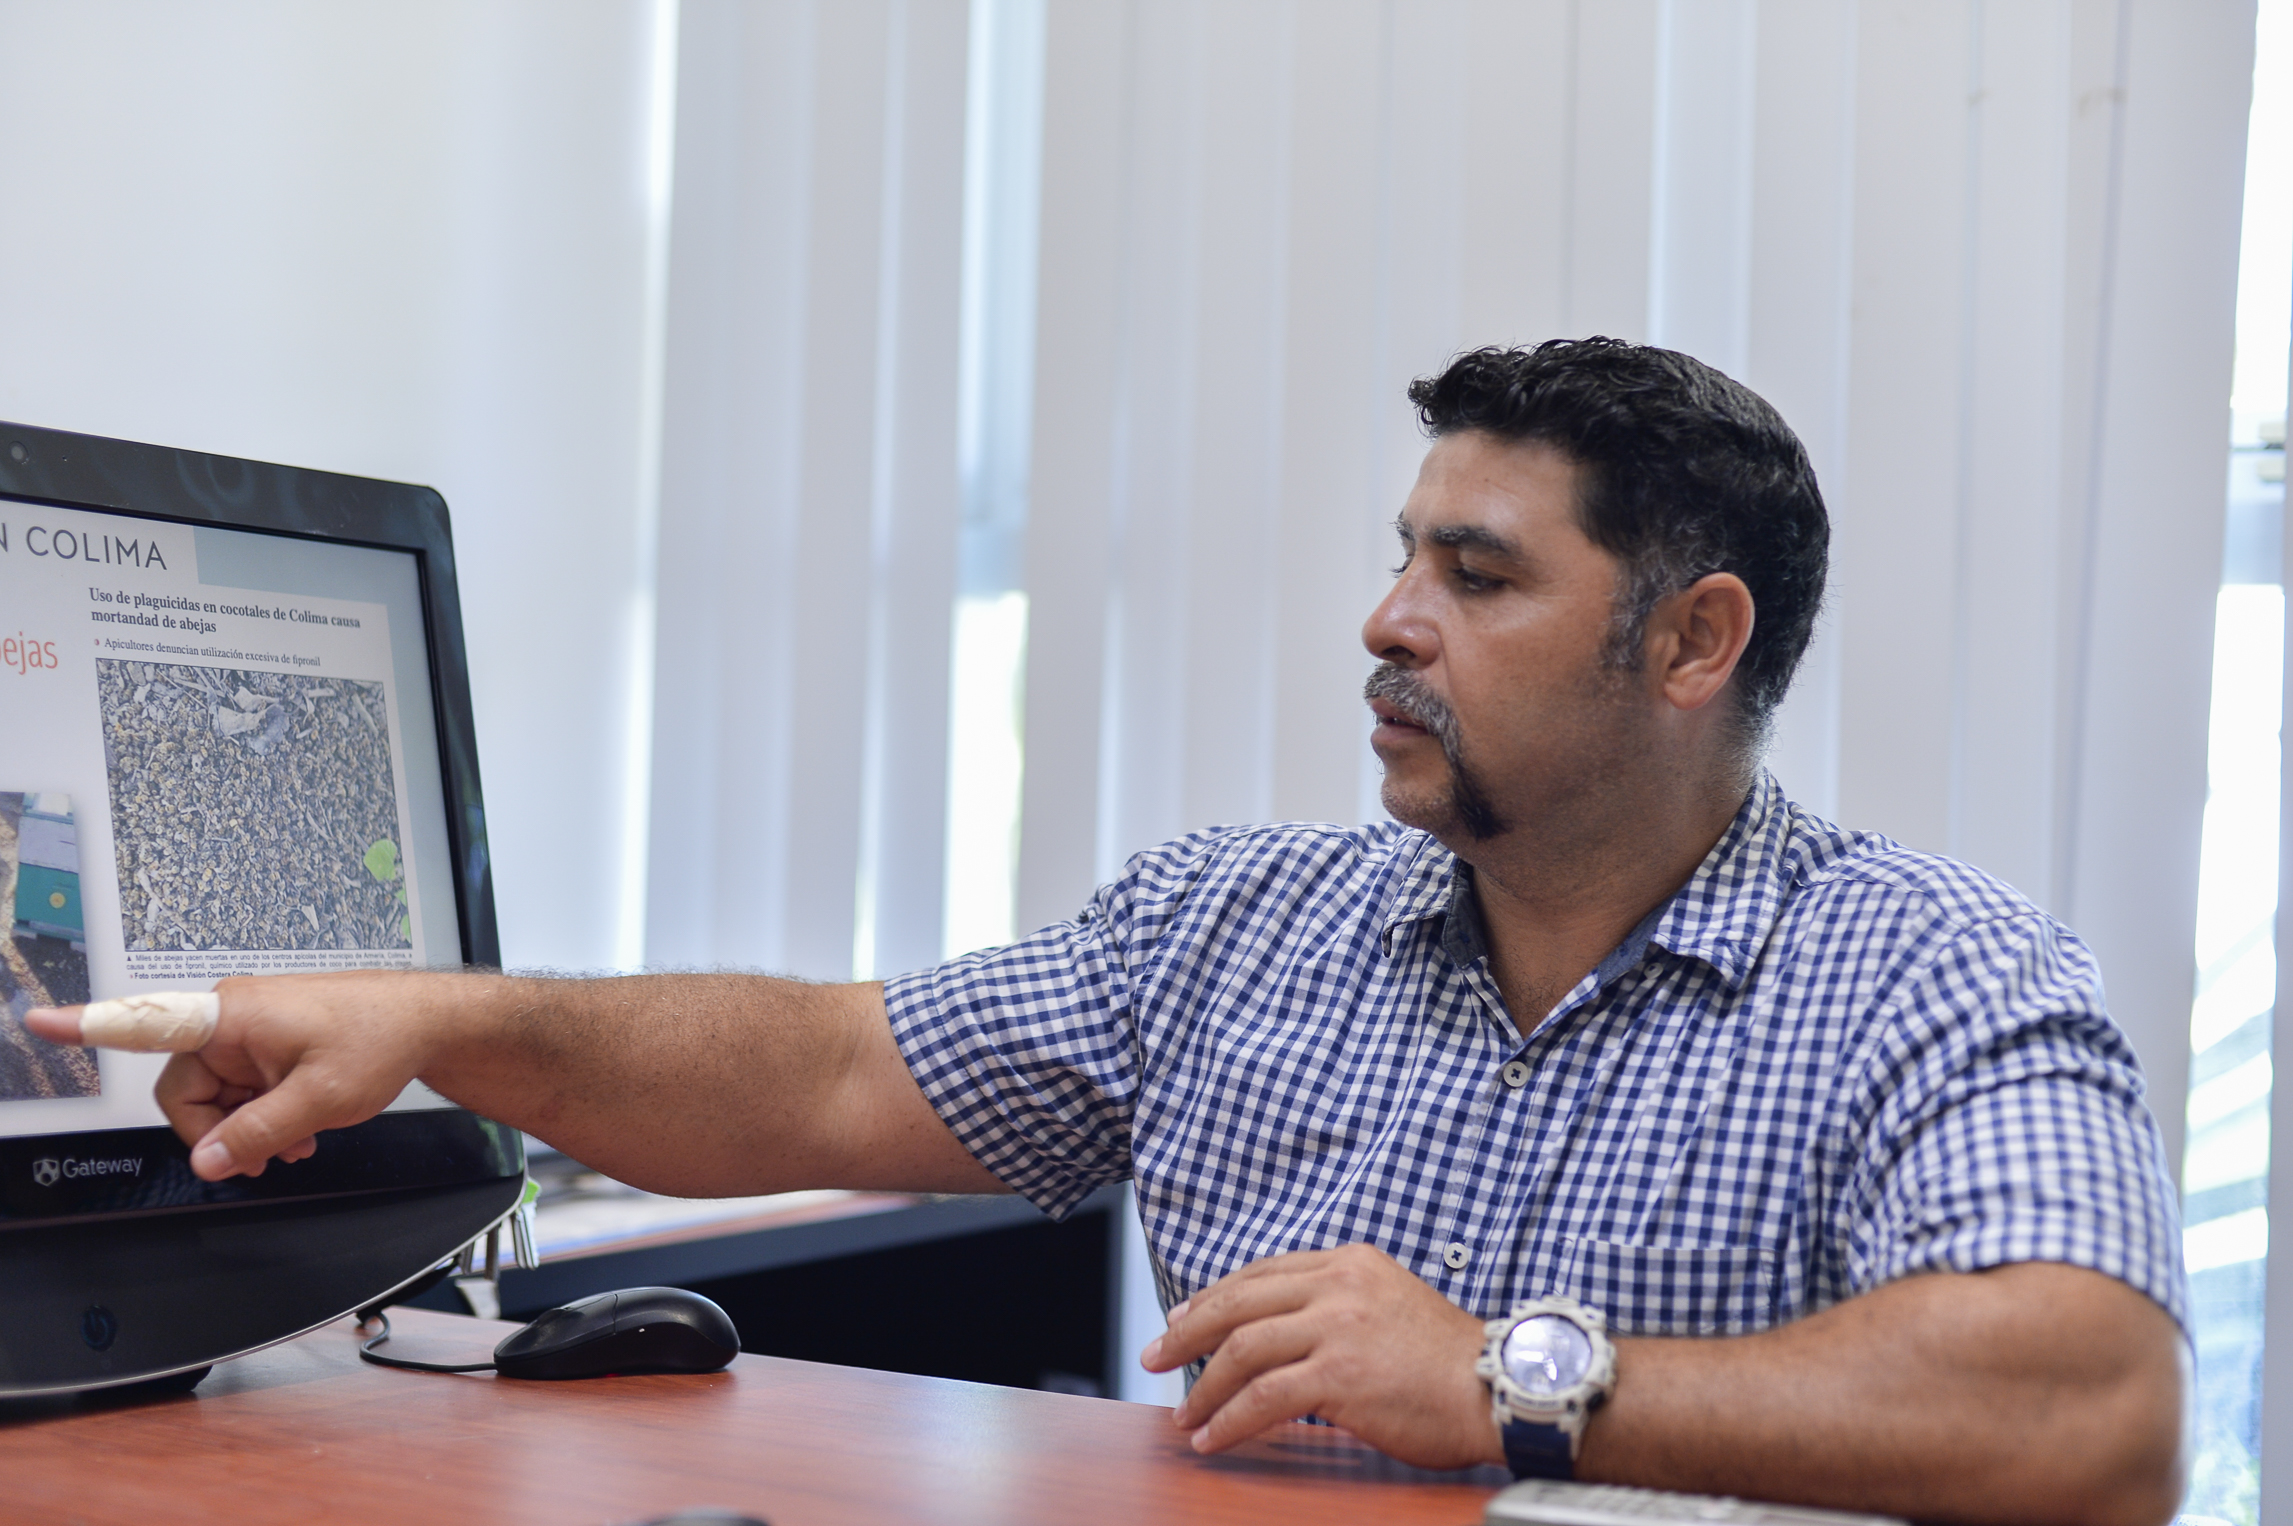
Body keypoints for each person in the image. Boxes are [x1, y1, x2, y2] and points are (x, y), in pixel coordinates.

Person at [30, 339, 2185, 1524]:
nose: (1385, 618)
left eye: (1478, 574)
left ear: (1691, 638)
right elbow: (817, 1067)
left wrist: (1512, 1383)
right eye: (1396, 555)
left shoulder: (1934, 965)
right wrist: (447, 1020)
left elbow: (2090, 1418)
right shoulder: (1239, 920)